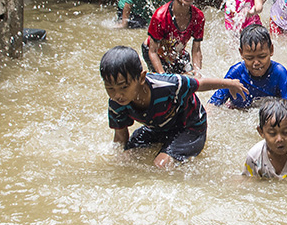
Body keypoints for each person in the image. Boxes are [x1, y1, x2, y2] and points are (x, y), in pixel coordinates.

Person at [100, 46, 247, 169]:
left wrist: (229, 83)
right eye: (110, 88)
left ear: (141, 78)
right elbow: (120, 137)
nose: (117, 94)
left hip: (190, 126)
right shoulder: (116, 103)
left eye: (124, 87)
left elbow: (199, 84)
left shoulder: (168, 85)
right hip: (158, 128)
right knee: (125, 158)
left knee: (161, 165)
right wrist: (117, 157)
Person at [208, 25, 287, 109]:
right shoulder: (236, 73)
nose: (256, 63)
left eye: (262, 56)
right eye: (250, 58)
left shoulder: (279, 73)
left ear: (271, 50)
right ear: (241, 53)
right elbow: (213, 104)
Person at [143, 0, 204, 76]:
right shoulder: (160, 17)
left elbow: (196, 50)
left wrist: (197, 73)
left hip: (177, 53)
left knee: (189, 81)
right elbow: (152, 52)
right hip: (154, 53)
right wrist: (164, 76)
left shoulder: (198, 17)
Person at [243, 99, 287, 179]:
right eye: (272, 133)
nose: (279, 139)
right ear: (261, 132)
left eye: (285, 132)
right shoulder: (254, 158)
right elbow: (249, 184)